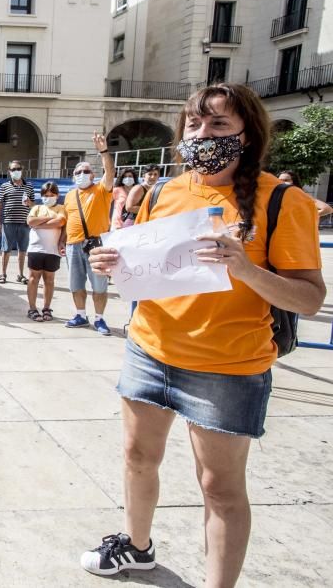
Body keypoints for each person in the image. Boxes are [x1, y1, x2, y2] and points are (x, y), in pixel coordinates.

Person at [83, 83, 325, 587]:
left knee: (219, 488)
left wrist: (247, 269)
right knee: (137, 458)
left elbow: (308, 298)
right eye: (195, 124)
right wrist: (110, 262)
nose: (202, 134)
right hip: (149, 349)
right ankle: (137, 546)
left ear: (246, 134)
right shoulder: (163, 192)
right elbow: (142, 268)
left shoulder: (283, 201)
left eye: (218, 124)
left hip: (228, 368)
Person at [63, 133, 115, 336]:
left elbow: (110, 172)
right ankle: (80, 315)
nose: (82, 174)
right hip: (73, 245)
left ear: (93, 176)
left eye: (86, 171)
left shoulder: (102, 190)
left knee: (99, 285)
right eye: (78, 171)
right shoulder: (69, 195)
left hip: (96, 245)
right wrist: (62, 241)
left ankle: (99, 318)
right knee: (75, 284)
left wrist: (103, 151)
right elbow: (67, 220)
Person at [25, 182, 66, 322]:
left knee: (49, 280)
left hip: (52, 250)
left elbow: (60, 222)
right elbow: (30, 222)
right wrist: (49, 218)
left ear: (57, 195)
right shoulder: (36, 207)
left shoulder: (61, 208)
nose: (48, 198)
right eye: (45, 195)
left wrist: (39, 223)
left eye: (51, 195)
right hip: (35, 249)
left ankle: (47, 308)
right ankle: (32, 308)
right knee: (33, 278)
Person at [0, 160, 35, 284]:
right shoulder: (4, 186)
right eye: (13, 169)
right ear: (9, 172)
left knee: (22, 250)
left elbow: (34, 205)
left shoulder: (29, 186)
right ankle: (3, 274)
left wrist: (30, 203)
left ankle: (21, 275)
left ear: (22, 170)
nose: (16, 171)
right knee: (6, 250)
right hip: (8, 222)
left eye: (18, 169)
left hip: (24, 223)